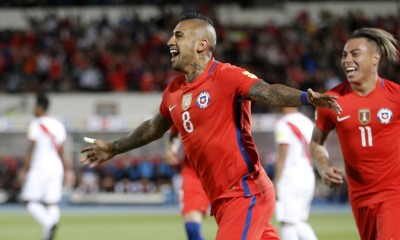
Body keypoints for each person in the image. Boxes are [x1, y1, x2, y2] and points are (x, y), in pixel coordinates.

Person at [80, 12, 341, 239]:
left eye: (178, 36)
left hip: (245, 192)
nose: (170, 42)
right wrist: (113, 148)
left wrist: (307, 98)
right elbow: (153, 128)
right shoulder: (173, 92)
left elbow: (269, 92)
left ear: (202, 44)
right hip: (221, 200)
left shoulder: (226, 75)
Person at [310, 27, 400, 240]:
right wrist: (323, 168)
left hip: (394, 194)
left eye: (354, 54)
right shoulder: (331, 101)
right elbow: (315, 143)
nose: (347, 60)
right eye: (344, 55)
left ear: (375, 58)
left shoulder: (395, 96)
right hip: (359, 197)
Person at [19, 93, 75, 240]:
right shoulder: (58, 124)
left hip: (39, 165)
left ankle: (49, 223)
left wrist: (24, 171)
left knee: (28, 200)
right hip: (56, 166)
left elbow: (30, 150)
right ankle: (48, 233)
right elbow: (62, 151)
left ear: (39, 107)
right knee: (52, 203)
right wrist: (68, 170)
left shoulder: (35, 124)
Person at [273, 107, 317, 240]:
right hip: (308, 174)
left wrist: (276, 181)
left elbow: (283, 153)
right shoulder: (307, 122)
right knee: (298, 221)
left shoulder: (284, 123)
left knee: (288, 223)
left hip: (290, 177)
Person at [166, 126, 209, 240]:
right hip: (194, 171)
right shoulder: (182, 108)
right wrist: (172, 149)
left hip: (228, 170)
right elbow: (175, 128)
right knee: (192, 229)